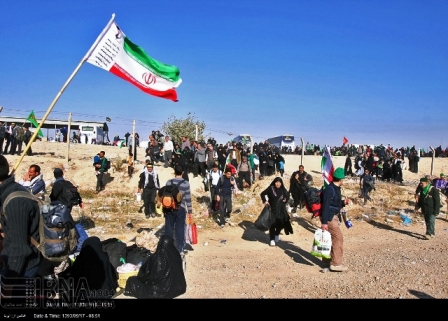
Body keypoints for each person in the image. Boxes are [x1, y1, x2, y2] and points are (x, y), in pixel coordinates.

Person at [0, 155, 41, 278]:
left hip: (24, 268)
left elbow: (19, 250)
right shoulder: (9, 190)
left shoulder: (15, 202)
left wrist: (9, 284)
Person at [320, 167, 351, 272]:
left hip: (333, 216)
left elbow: (334, 203)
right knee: (338, 238)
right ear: (341, 179)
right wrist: (324, 222)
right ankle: (336, 264)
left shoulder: (335, 188)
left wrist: (343, 202)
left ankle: (327, 260)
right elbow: (325, 205)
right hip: (329, 217)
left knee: (330, 239)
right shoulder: (330, 189)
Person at [162, 165, 192, 255]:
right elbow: (188, 198)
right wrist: (190, 210)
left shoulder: (168, 182)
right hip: (180, 208)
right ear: (182, 172)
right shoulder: (186, 183)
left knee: (169, 227)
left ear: (174, 172)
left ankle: (167, 247)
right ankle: (179, 249)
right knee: (179, 228)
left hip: (168, 208)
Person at [260, 177, 293, 247]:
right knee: (273, 224)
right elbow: (262, 194)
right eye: (276, 182)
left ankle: (276, 234)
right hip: (272, 209)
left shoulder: (283, 189)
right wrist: (265, 201)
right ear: (274, 182)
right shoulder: (270, 188)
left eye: (279, 182)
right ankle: (272, 239)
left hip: (281, 209)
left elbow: (287, 195)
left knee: (281, 223)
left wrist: (285, 199)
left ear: (281, 183)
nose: (278, 184)